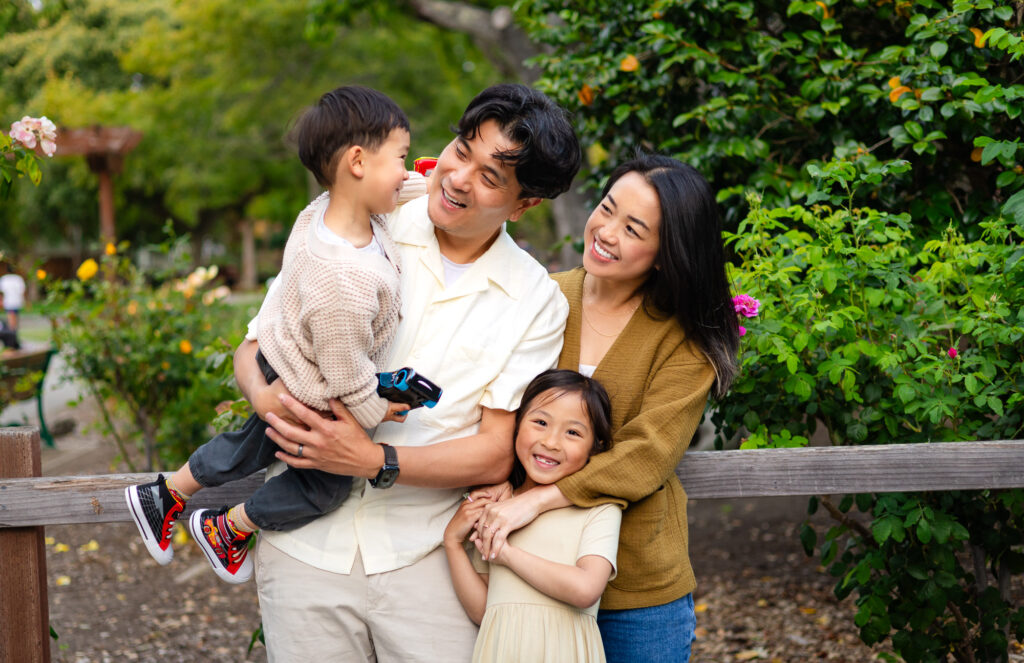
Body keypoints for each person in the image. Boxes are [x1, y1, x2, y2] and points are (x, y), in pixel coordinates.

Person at [234, 83, 581, 660]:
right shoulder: (365, 217)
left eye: (491, 177)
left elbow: (497, 450)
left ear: (525, 206)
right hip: (303, 547)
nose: (459, 177)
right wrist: (265, 398)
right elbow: (255, 345)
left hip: (424, 556)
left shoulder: (535, 301)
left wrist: (373, 460)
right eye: (462, 148)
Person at [124, 86, 415, 584]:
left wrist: (428, 186)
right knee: (324, 486)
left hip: (280, 363)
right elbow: (346, 371)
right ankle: (230, 527)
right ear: (359, 162)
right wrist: (376, 410)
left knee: (248, 445)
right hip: (313, 389)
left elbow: (392, 192)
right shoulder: (345, 279)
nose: (407, 173)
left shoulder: (324, 211)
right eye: (402, 159)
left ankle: (166, 493)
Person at [471, 153, 741, 662]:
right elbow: (492, 403)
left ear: (667, 252)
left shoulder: (684, 339)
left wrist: (537, 499)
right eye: (607, 208)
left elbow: (648, 453)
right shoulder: (542, 297)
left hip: (636, 592)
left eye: (634, 228)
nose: (607, 231)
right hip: (524, 566)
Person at [444, 368, 621, 663]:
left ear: (596, 447)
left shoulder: (599, 508)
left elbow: (585, 589)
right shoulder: (499, 508)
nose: (551, 442)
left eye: (573, 432)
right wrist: (452, 542)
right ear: (517, 425)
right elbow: (484, 610)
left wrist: (507, 554)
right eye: (540, 422)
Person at [0, 263, 26, 332]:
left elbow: (1, 292)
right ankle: (14, 334)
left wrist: (1, 301)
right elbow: (22, 291)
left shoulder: (4, 279)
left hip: (8, 302)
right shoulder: (18, 279)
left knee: (11, 320)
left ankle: (12, 334)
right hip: (17, 302)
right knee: (15, 319)